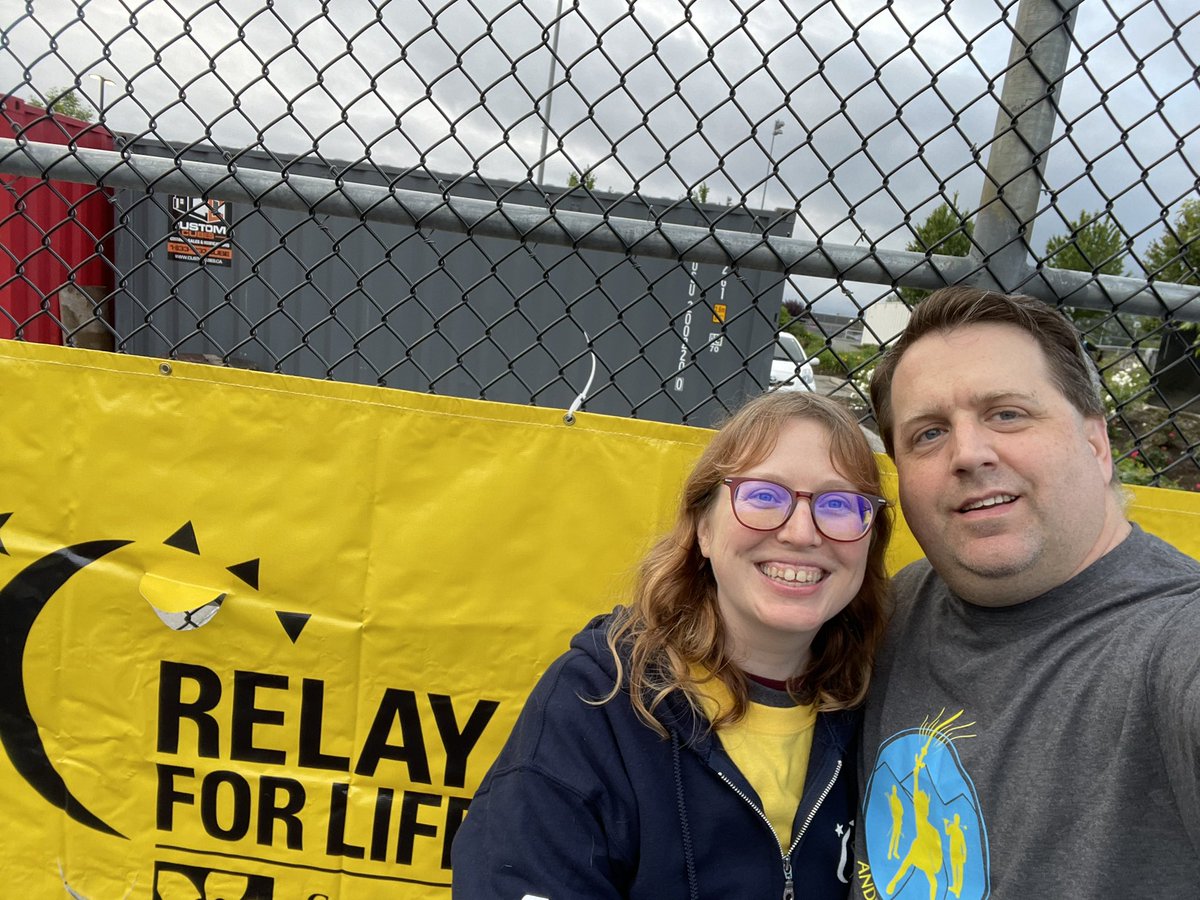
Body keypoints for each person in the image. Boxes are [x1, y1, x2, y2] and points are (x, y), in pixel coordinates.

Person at [452, 391, 893, 899]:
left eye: (838, 504)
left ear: (869, 541)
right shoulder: (597, 700)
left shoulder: (881, 706)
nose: (800, 532)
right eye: (764, 496)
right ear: (703, 528)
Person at [853, 286, 1200, 899]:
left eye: (1007, 413)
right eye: (928, 434)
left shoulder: (1172, 639)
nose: (969, 453)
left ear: (1097, 445)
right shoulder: (893, 609)